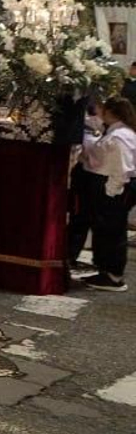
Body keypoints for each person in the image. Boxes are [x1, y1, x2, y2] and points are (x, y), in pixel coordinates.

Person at [69, 96, 134, 292]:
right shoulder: (119, 132)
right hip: (110, 185)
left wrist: (110, 193)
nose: (99, 112)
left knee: (111, 230)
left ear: (112, 112)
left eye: (103, 109)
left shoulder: (118, 137)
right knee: (106, 229)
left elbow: (121, 170)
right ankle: (106, 271)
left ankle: (113, 275)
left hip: (113, 187)